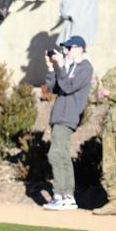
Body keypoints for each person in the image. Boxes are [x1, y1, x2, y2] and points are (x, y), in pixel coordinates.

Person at [43, 36, 93, 210]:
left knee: (55, 154)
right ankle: (65, 196)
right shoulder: (70, 67)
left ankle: (63, 194)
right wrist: (51, 68)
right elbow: (55, 88)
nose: (66, 51)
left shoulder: (85, 68)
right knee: (62, 155)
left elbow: (68, 87)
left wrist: (61, 66)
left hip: (68, 117)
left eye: (69, 48)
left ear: (80, 49)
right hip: (59, 116)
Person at [93, 46, 116, 215]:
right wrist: (98, 94)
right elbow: (99, 96)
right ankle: (115, 200)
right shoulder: (112, 73)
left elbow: (110, 93)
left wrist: (111, 94)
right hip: (111, 123)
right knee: (109, 164)